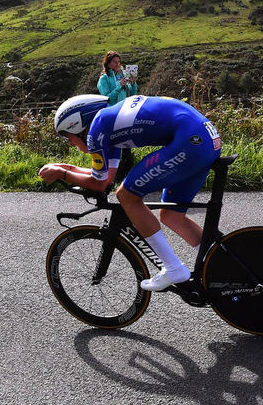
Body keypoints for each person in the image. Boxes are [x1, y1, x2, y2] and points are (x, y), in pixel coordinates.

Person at [39, 94, 222, 290]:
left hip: (191, 141)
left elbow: (99, 184)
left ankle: (173, 268)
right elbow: (106, 177)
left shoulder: (96, 130)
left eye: (68, 137)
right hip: (205, 140)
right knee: (172, 216)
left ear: (77, 126)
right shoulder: (108, 125)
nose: (70, 143)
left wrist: (62, 173)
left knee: (126, 196)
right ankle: (223, 262)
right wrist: (66, 169)